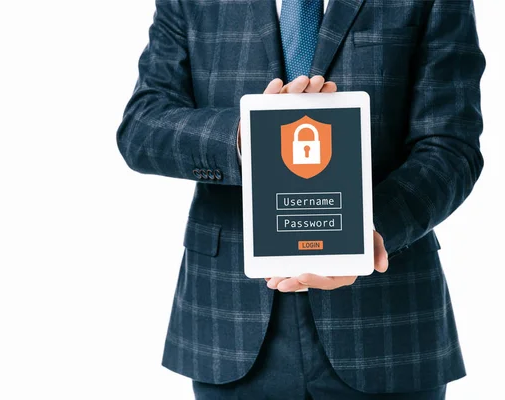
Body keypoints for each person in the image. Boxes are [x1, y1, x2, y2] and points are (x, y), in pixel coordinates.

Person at [116, 0, 485, 398]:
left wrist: (367, 232)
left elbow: (450, 145)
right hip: (229, 320)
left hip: (386, 323)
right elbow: (141, 127)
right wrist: (245, 135)